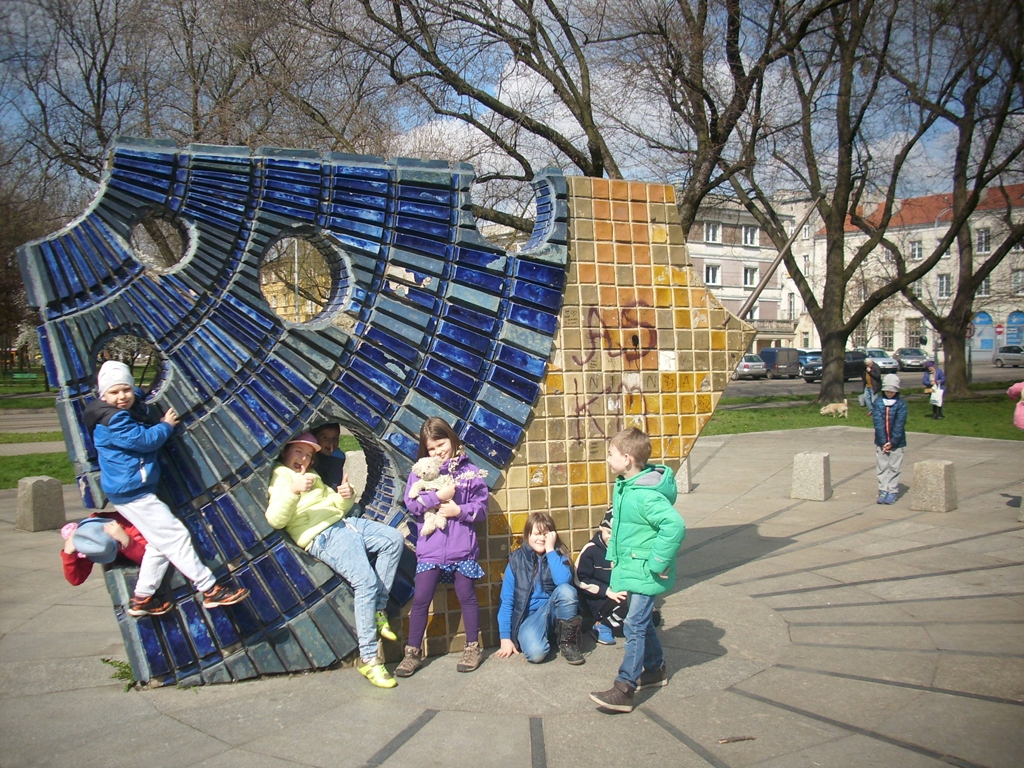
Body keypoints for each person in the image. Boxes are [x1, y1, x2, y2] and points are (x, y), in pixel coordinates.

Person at [84, 361, 249, 617]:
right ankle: (210, 589)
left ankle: (142, 598)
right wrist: (166, 425)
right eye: (114, 393)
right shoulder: (113, 420)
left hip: (128, 491)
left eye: (126, 390)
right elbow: (144, 441)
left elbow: (132, 400)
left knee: (158, 544)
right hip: (133, 492)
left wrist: (137, 394)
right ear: (103, 396)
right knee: (175, 537)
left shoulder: (109, 413)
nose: (122, 397)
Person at [265, 431, 406, 689]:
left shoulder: (314, 477)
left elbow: (337, 507)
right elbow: (275, 519)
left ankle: (377, 608)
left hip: (344, 524)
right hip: (323, 536)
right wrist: (293, 491)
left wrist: (345, 496)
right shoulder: (281, 478)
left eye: (308, 455)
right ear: (285, 451)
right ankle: (369, 659)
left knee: (392, 540)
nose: (304, 459)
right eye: (299, 452)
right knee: (365, 582)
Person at [589, 428, 685, 714]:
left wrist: (657, 562)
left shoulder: (644, 495)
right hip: (633, 567)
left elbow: (674, 526)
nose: (607, 459)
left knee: (633, 625)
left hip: (645, 570)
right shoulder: (627, 485)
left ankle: (624, 688)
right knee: (640, 621)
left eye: (611, 454)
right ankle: (654, 670)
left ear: (627, 459)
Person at [395, 417, 489, 677]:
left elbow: (481, 508)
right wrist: (437, 497)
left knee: (467, 595)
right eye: (431, 448)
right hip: (431, 549)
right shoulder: (420, 471)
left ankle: (472, 646)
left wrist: (459, 510)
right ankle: (412, 651)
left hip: (462, 549)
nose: (437, 452)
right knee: (422, 599)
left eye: (441, 444)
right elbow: (412, 505)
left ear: (452, 439)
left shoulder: (469, 471)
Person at [495, 511, 584, 665]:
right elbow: (506, 601)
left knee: (566, 591)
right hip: (530, 619)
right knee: (536, 655)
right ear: (527, 535)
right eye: (537, 533)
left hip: (554, 614)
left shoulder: (558, 556)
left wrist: (550, 551)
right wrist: (505, 638)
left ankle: (568, 643)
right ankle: (544, 637)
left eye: (546, 534)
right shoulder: (516, 562)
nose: (541, 538)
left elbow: (564, 582)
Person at [575, 510, 627, 645]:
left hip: (617, 595)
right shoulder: (591, 550)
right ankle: (602, 624)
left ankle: (614, 623)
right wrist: (607, 591)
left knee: (651, 615)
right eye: (609, 533)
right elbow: (580, 580)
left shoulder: (624, 549)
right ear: (601, 528)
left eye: (617, 534)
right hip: (597, 599)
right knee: (629, 606)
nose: (612, 538)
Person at [61, 513, 147, 586]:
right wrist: (68, 554)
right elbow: (76, 579)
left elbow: (149, 559)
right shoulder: (91, 536)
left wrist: (126, 541)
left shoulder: (132, 528)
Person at [872, 374, 908, 505]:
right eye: (887, 390)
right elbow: (878, 423)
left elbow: (900, 424)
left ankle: (892, 491)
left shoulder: (901, 404)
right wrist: (883, 442)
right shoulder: (878, 402)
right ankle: (883, 490)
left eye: (892, 391)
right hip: (881, 442)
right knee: (882, 466)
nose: (890, 393)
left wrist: (892, 442)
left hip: (897, 442)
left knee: (894, 466)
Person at [311, 422, 346, 489]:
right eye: (325, 438)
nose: (331, 442)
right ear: (315, 439)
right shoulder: (312, 458)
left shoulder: (337, 457)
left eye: (335, 438)